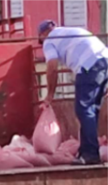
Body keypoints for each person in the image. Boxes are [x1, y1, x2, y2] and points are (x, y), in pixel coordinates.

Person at [38, 20, 108, 165]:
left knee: (84, 109)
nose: (42, 44)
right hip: (104, 62)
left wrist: (50, 95)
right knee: (92, 109)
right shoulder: (70, 32)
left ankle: (90, 154)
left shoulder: (50, 40)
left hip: (89, 66)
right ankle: (85, 150)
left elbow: (52, 68)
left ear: (43, 34)